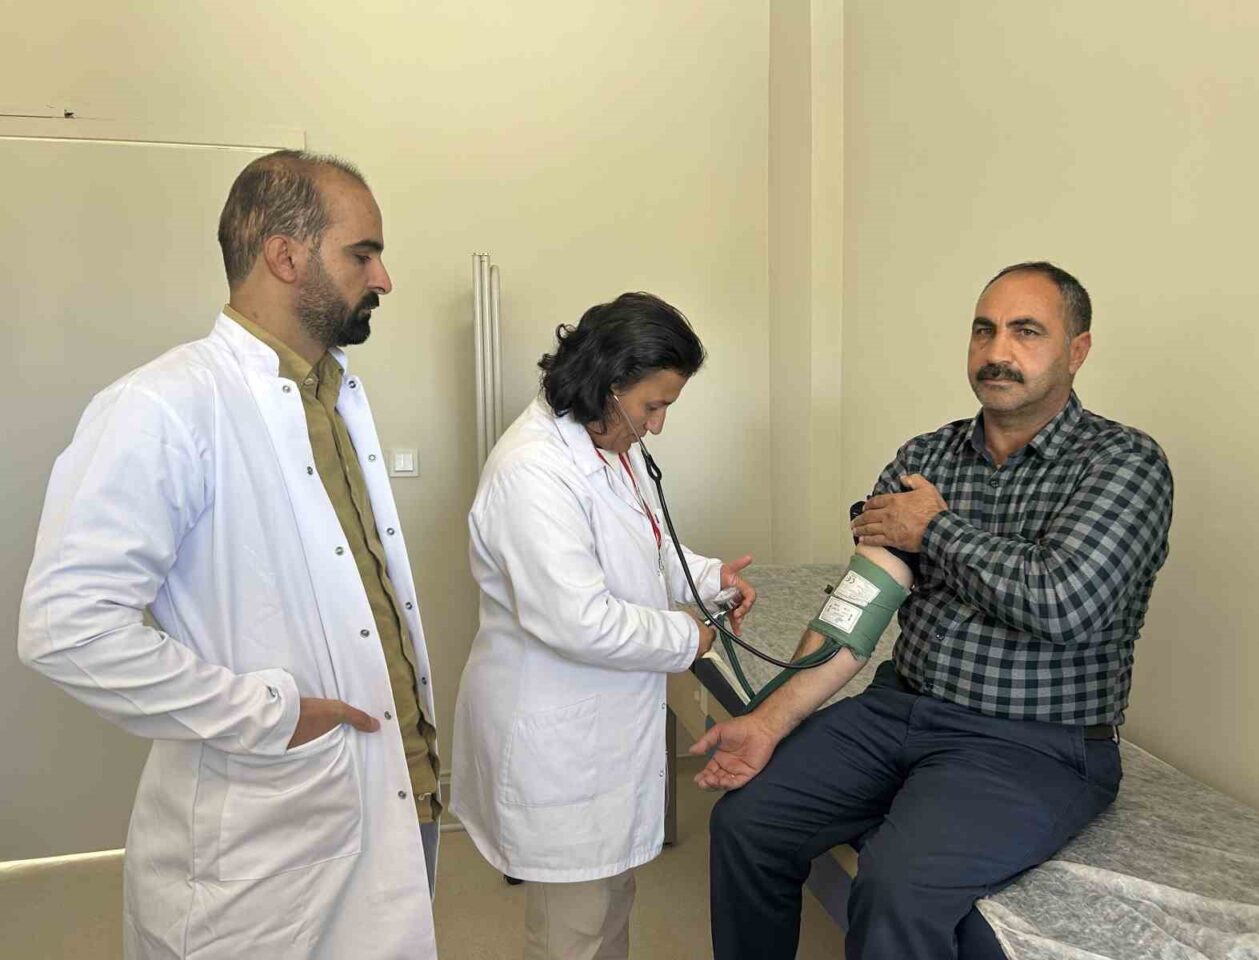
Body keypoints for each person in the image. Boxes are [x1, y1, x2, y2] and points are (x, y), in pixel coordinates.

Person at [18, 150, 440, 959]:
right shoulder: (163, 405)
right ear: (285, 256)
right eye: (363, 254)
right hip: (267, 836)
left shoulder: (333, 396)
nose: (383, 278)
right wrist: (270, 715)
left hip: (396, 793)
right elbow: (66, 628)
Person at [696, 262, 1175, 959]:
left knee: (897, 887)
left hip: (1033, 743)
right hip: (898, 709)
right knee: (747, 823)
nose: (997, 351)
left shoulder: (1123, 463)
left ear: (1077, 351)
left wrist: (935, 530)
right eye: (984, 330)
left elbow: (1066, 603)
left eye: (1026, 331)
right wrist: (767, 720)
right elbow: (857, 612)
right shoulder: (925, 458)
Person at [451, 292, 758, 960]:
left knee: (606, 908)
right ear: (608, 384)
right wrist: (692, 636)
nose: (658, 426)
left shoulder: (607, 443)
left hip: (603, 731)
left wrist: (710, 578)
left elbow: (645, 547)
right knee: (575, 932)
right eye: (653, 406)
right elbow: (580, 621)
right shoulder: (532, 471)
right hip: (559, 742)